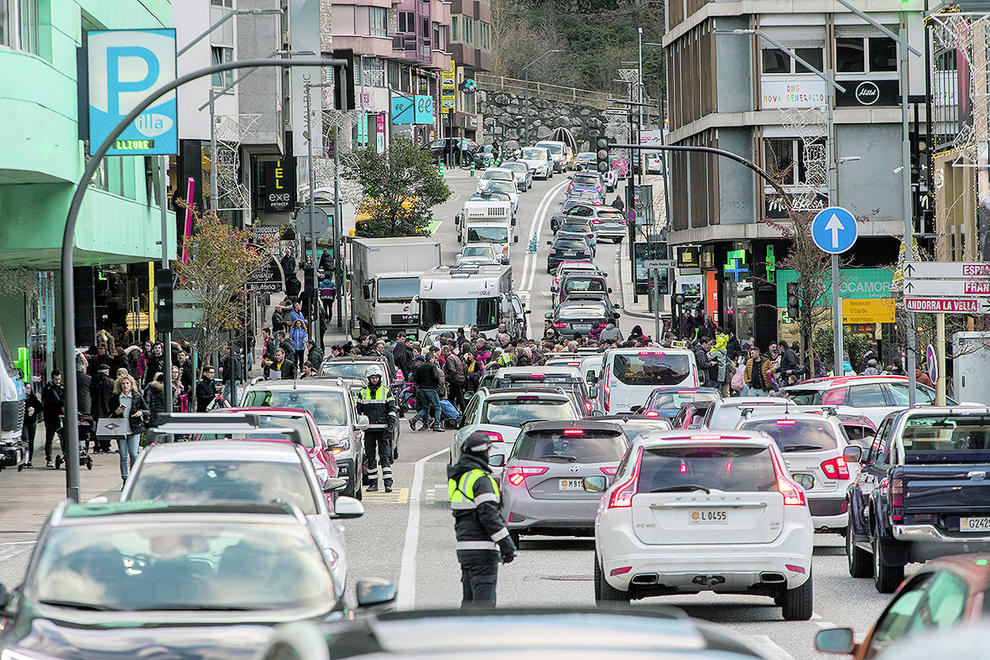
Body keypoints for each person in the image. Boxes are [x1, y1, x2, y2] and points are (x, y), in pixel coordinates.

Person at [447, 432, 516, 607]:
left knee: (469, 604)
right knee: (484, 609)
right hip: (483, 552)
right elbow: (489, 516)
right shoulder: (481, 480)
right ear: (482, 453)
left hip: (465, 550)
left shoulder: (462, 477)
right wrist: (507, 545)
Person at [357, 369, 398, 492]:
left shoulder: (386, 392)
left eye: (376, 377)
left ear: (379, 378)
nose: (374, 380)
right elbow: (358, 412)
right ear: (368, 378)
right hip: (368, 430)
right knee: (370, 458)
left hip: (383, 430)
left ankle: (388, 484)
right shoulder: (362, 393)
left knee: (385, 457)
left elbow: (392, 411)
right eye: (372, 377)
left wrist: (390, 427)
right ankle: (373, 484)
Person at [110, 374, 149, 485]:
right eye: (123, 384)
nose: (126, 386)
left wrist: (140, 413)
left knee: (133, 454)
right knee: (123, 455)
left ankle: (133, 476)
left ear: (131, 385)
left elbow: (147, 410)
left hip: (134, 429)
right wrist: (117, 412)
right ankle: (125, 478)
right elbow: (109, 415)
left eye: (127, 383)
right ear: (120, 385)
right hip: (121, 429)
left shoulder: (136, 396)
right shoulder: (115, 398)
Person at [410, 354, 443, 432]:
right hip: (431, 388)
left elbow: (415, 378)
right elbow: (435, 377)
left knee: (425, 408)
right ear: (431, 359)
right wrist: (437, 384)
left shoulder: (420, 367)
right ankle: (436, 425)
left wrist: (420, 384)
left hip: (422, 389)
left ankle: (415, 419)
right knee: (437, 407)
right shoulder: (433, 366)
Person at [41, 370, 65, 468]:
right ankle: (49, 459)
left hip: (59, 417)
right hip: (50, 417)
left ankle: (65, 455)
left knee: (63, 438)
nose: (58, 381)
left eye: (59, 379)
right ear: (52, 378)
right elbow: (46, 402)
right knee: (49, 439)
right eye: (56, 379)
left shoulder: (62, 388)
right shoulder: (47, 389)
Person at [22, 382, 42, 467]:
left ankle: (29, 460)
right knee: (25, 440)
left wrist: (33, 411)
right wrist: (27, 411)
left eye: (30, 388)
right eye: (27, 388)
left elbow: (40, 407)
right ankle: (25, 460)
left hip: (32, 421)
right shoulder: (22, 399)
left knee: (31, 441)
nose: (29, 390)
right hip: (24, 422)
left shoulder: (33, 398)